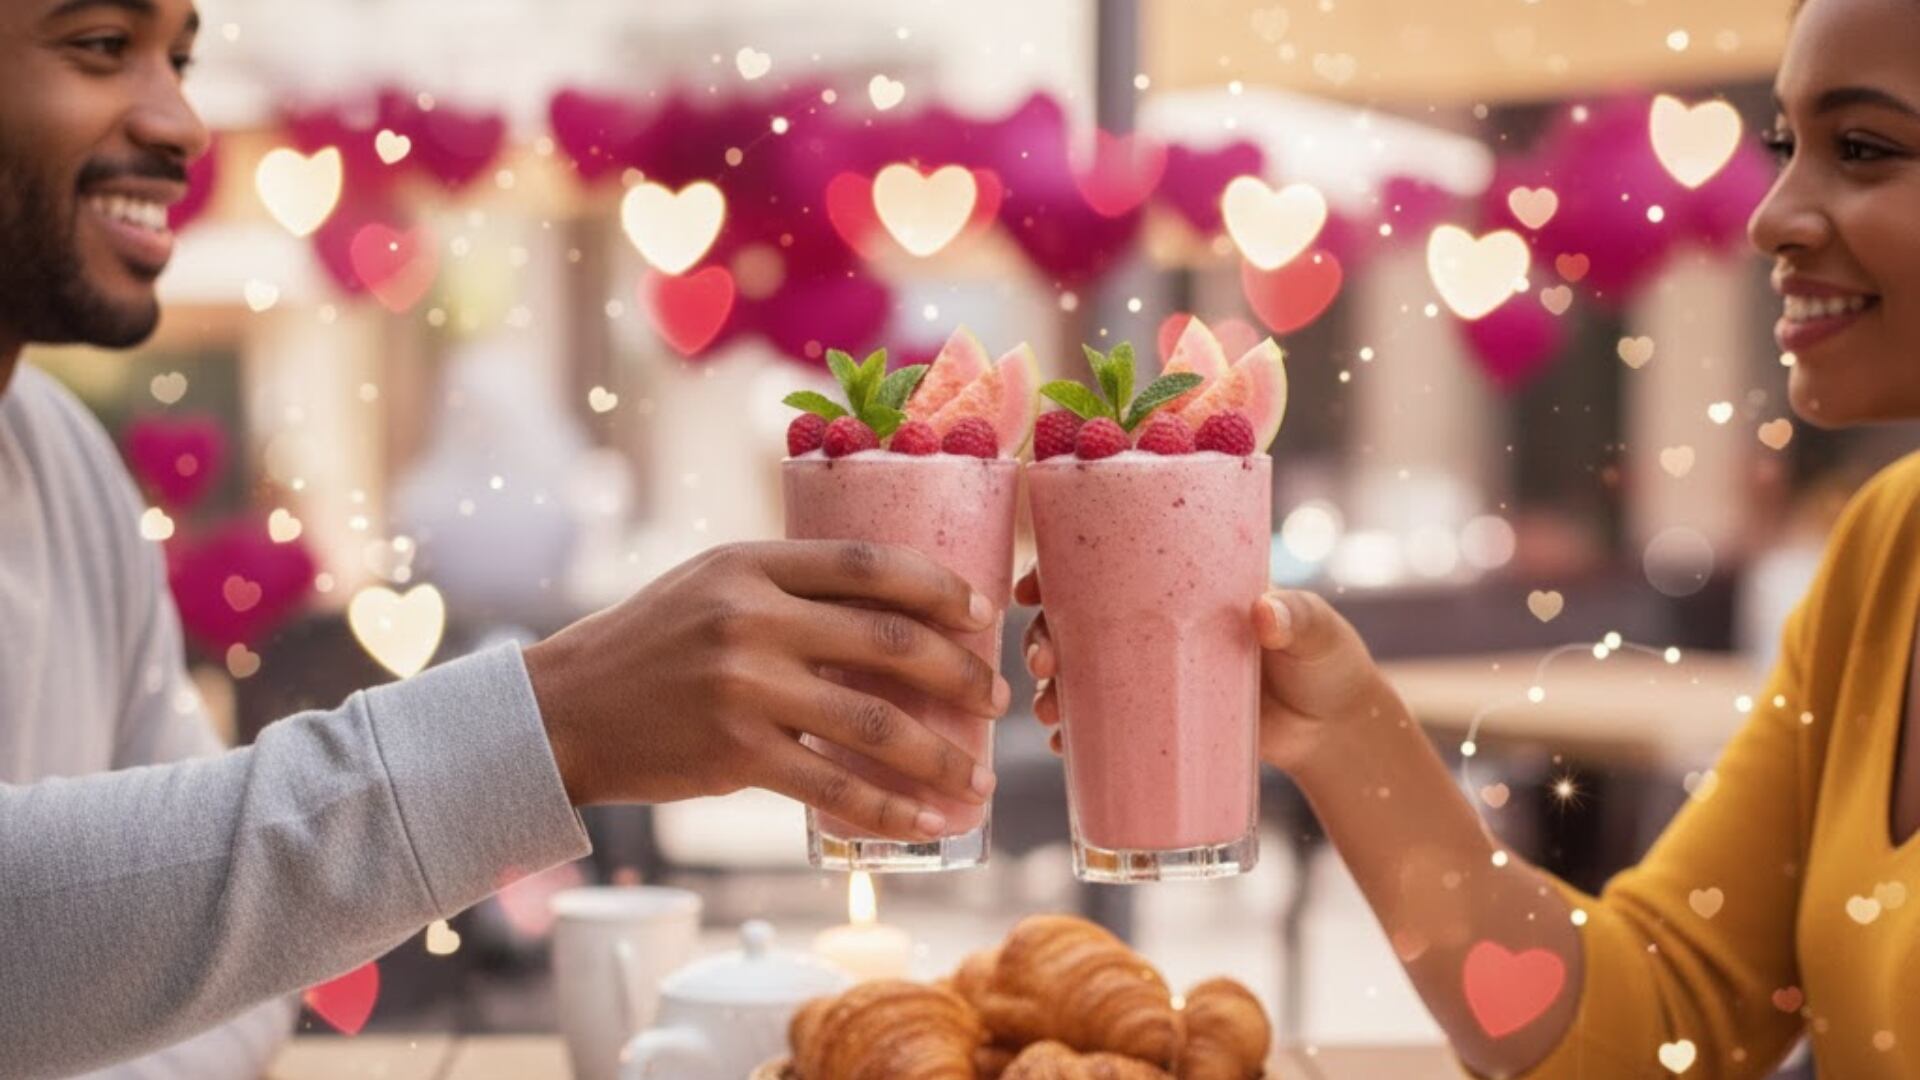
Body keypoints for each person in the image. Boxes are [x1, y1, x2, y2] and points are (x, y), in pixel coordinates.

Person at [0, 0, 1008, 1075]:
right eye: (102, 45)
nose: (184, 123)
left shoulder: (61, 457)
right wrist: (548, 722)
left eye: (182, 57)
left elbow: (223, 980)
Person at [1029, 0, 1920, 1074]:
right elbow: (1648, 1027)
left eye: (1864, 148)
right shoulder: (1888, 550)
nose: (1772, 215)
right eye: (1787, 146)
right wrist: (1339, 727)